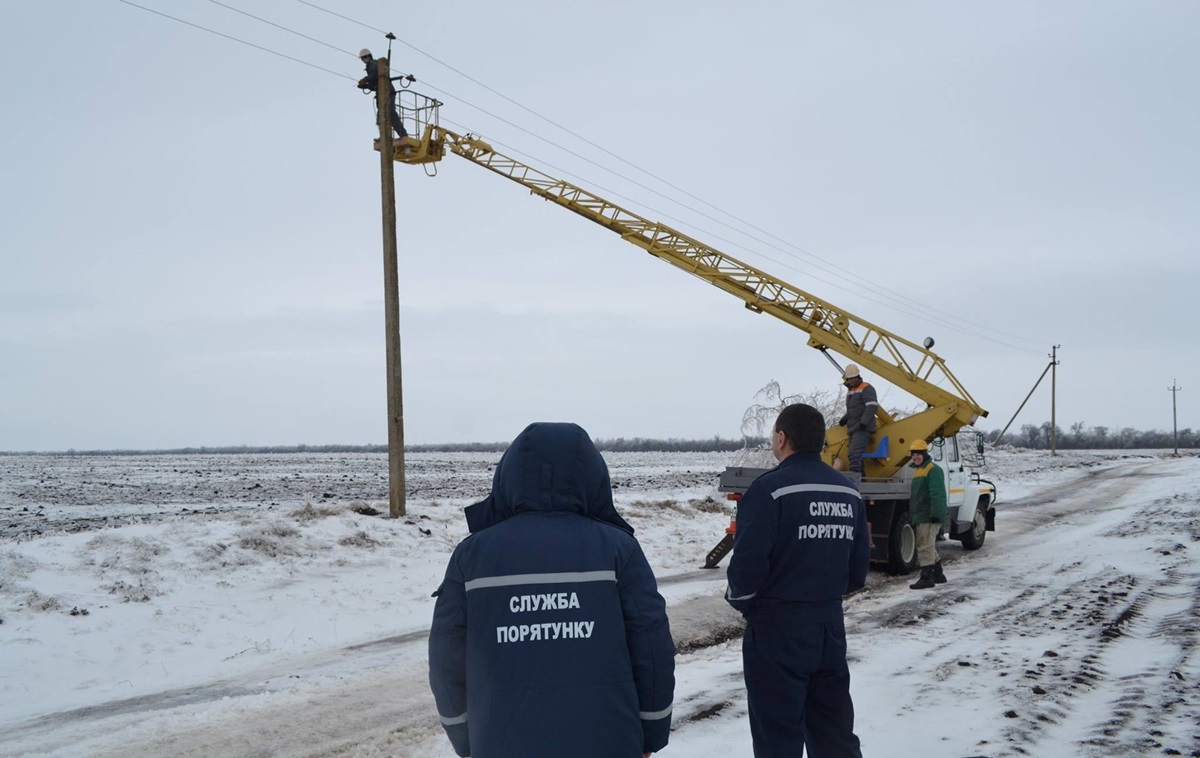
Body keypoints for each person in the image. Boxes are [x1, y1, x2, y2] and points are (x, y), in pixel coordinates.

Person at [428, 422, 675, 758]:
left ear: (508, 475)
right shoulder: (618, 550)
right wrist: (652, 731)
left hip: (501, 744)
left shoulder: (472, 557)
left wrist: (465, 738)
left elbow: (446, 658)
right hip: (609, 742)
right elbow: (651, 645)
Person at [726, 403, 869, 757]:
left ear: (781, 438)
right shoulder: (848, 492)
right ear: (821, 442)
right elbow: (857, 570)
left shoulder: (769, 490)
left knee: (778, 737)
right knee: (834, 733)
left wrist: (746, 604)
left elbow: (745, 570)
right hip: (829, 627)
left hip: (777, 630)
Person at [906, 439, 949, 590]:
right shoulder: (919, 470)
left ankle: (926, 578)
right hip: (921, 515)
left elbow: (938, 494)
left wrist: (936, 514)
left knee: (925, 545)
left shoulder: (933, 469)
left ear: (925, 454)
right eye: (914, 454)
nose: (916, 457)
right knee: (927, 545)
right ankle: (938, 574)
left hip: (928, 516)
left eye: (919, 454)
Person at [357, 48, 408, 138]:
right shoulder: (370, 66)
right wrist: (366, 86)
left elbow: (377, 75)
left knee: (390, 113)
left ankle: (402, 135)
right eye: (362, 59)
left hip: (387, 92)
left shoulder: (373, 64)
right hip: (381, 93)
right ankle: (385, 137)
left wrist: (365, 79)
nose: (363, 60)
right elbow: (376, 83)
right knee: (381, 116)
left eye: (364, 58)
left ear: (368, 56)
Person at [837, 364, 878, 476]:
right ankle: (861, 482)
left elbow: (872, 406)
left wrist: (864, 422)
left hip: (862, 428)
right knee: (856, 456)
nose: (852, 380)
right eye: (850, 379)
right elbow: (855, 410)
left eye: (854, 378)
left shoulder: (866, 388)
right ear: (847, 379)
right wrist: (845, 419)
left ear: (858, 376)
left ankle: (856, 482)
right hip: (853, 428)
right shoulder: (851, 391)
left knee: (854, 454)